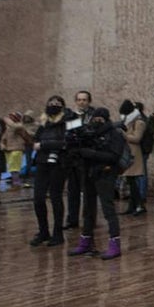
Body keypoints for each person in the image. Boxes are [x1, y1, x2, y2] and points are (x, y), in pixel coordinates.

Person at [69, 107, 128, 259]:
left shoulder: (115, 134)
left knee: (108, 209)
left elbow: (114, 156)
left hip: (106, 174)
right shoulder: (89, 132)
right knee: (88, 209)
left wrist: (92, 154)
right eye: (95, 118)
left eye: (100, 118)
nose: (97, 121)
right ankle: (85, 242)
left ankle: (115, 244)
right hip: (89, 172)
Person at [31, 96, 73, 245]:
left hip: (59, 163)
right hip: (42, 162)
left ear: (62, 105)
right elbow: (35, 140)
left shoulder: (70, 120)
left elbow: (67, 142)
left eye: (57, 103)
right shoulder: (43, 121)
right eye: (51, 103)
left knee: (56, 197)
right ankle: (43, 231)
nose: (53, 105)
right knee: (38, 198)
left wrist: (44, 145)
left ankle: (58, 233)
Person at [64, 90, 94, 230]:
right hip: (72, 158)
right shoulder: (70, 115)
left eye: (84, 100)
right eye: (79, 100)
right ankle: (72, 219)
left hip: (87, 158)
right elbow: (68, 131)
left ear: (89, 101)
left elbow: (90, 132)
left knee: (88, 191)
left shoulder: (93, 115)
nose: (82, 102)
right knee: (73, 190)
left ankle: (89, 219)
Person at [118, 99, 147, 216]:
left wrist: (123, 134)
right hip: (126, 152)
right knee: (130, 181)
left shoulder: (139, 122)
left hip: (134, 154)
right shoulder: (126, 120)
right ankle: (132, 206)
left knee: (133, 181)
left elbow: (137, 138)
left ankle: (139, 205)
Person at [2, 112, 34, 190]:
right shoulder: (8, 128)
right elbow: (4, 137)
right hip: (8, 149)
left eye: (12, 117)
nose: (10, 118)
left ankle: (16, 184)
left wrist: (6, 120)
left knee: (15, 168)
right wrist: (2, 145)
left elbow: (14, 126)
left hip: (17, 149)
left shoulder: (19, 126)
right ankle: (15, 183)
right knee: (12, 169)